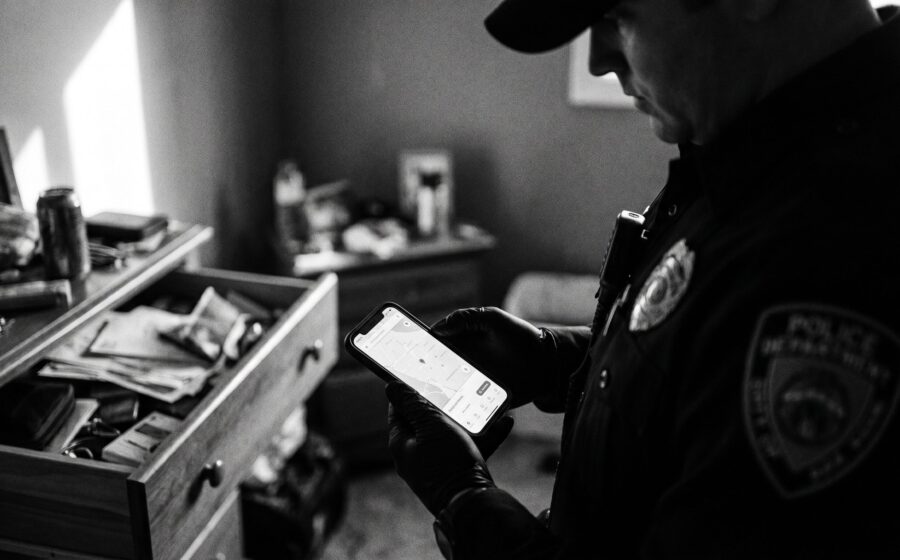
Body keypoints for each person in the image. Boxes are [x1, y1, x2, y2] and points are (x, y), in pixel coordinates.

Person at [385, 0, 900, 557]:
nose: (597, 61)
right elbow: (704, 366)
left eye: (617, 16)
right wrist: (561, 359)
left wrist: (469, 503)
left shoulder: (839, 247)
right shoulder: (753, 143)